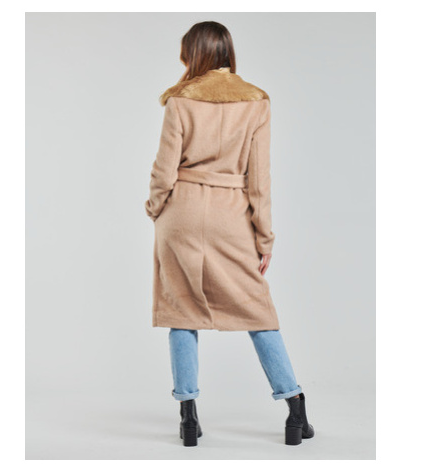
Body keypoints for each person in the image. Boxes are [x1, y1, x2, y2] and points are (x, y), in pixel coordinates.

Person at [144, 21, 314, 447]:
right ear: (227, 51)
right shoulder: (256, 101)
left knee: (181, 311)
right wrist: (264, 238)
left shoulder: (180, 100)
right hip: (231, 216)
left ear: (193, 53)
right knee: (257, 310)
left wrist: (155, 209)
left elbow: (164, 169)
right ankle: (295, 409)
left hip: (181, 214)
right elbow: (260, 180)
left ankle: (188, 416)